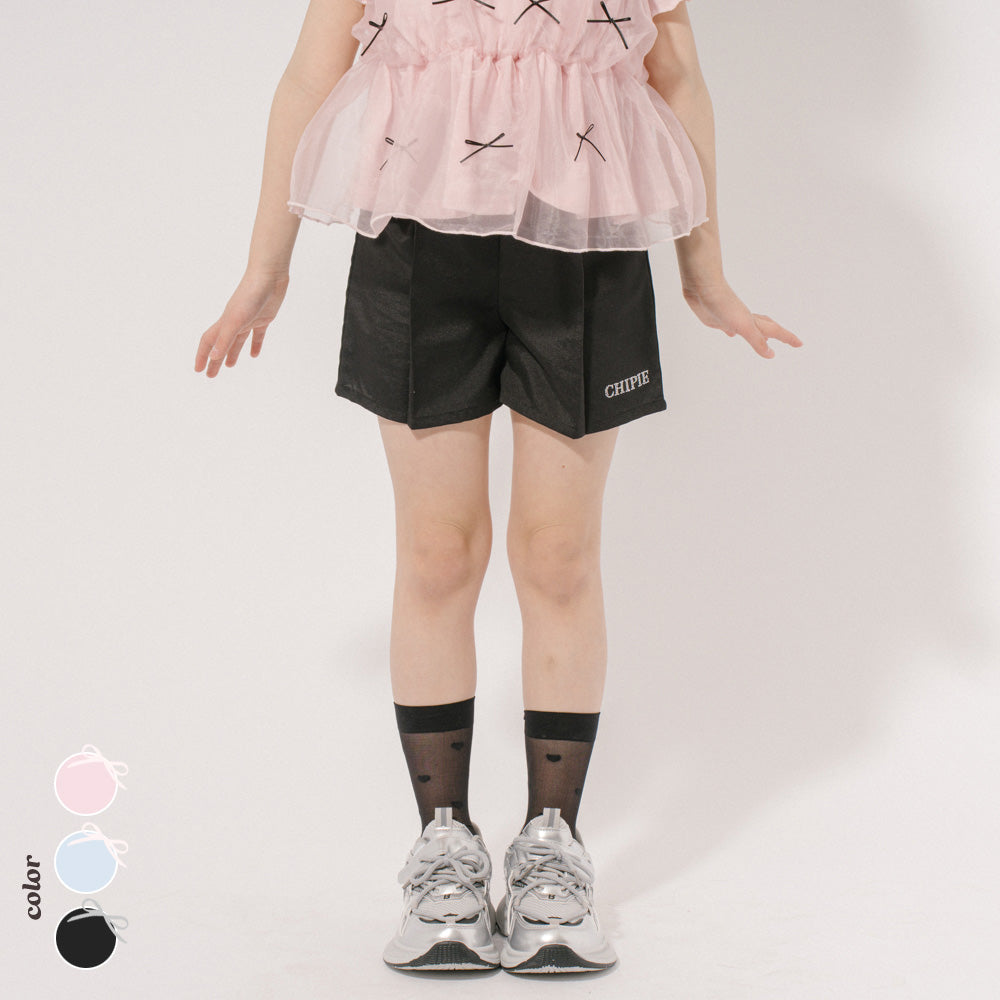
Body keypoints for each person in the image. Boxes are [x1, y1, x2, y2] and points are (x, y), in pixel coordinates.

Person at [194, 0, 802, 976]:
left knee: (558, 556)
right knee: (438, 554)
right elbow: (311, 72)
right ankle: (443, 852)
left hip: (587, 240)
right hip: (415, 241)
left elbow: (677, 77)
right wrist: (268, 266)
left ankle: (553, 851)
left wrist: (706, 271)